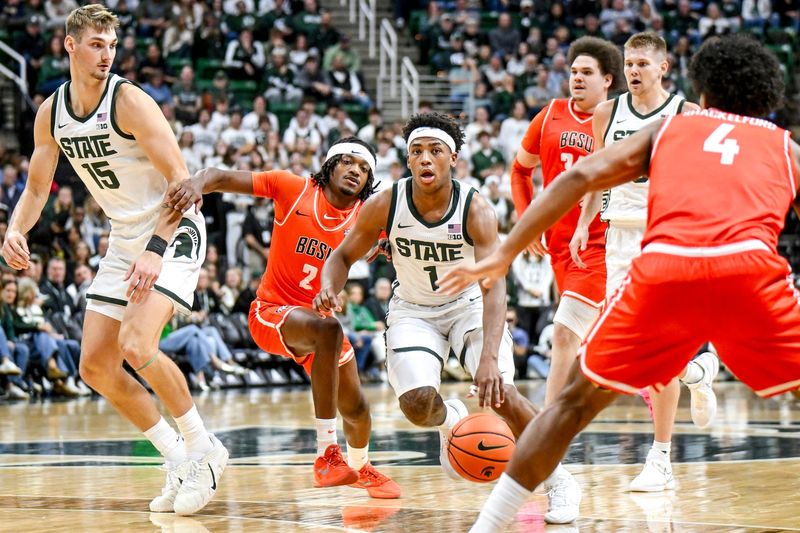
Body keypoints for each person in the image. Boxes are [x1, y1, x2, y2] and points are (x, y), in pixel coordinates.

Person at [437, 34, 798, 531]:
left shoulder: (672, 128)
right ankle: (694, 381)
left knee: (570, 405)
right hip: (749, 271)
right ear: (767, 99)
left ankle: (489, 526)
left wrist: (504, 252)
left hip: (663, 267)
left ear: (705, 95)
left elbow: (577, 177)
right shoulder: (785, 147)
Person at [0, 5, 227, 516]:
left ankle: (204, 448)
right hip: (124, 237)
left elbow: (183, 186)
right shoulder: (50, 113)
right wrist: (16, 228)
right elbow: (38, 187)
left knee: (136, 342)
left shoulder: (130, 101)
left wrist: (155, 250)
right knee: (95, 365)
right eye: (96, 44)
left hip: (174, 228)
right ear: (70, 45)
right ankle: (175, 458)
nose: (106, 54)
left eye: (111, 45)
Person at [313, 113, 541, 513]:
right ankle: (450, 419)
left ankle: (556, 478)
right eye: (416, 151)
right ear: (407, 158)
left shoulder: (476, 209)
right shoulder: (387, 202)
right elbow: (343, 255)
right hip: (414, 311)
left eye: (435, 151)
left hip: (469, 305)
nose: (425, 159)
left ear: (453, 158)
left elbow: (495, 285)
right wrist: (329, 287)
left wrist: (487, 358)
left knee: (501, 394)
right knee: (417, 405)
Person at [166, 137, 400, 499]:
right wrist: (197, 183)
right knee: (328, 328)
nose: (356, 170)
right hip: (271, 313)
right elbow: (222, 176)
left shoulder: (366, 216)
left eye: (365, 168)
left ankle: (361, 466)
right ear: (330, 165)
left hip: (318, 327)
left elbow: (400, 234)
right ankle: (325, 454)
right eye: (349, 162)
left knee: (358, 409)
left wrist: (389, 242)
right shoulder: (293, 188)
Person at [572, 31, 718, 493]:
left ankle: (660, 459)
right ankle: (698, 372)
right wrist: (582, 224)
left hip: (668, 239)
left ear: (662, 68)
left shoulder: (687, 115)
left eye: (641, 63)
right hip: (618, 238)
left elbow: (704, 182)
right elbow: (597, 172)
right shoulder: (606, 113)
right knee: (629, 354)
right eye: (628, 63)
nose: (633, 71)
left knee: (656, 350)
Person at [509, 36, 623, 521]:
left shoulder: (622, 122)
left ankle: (545, 441)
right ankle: (692, 365)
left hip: (602, 242)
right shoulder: (550, 113)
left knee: (563, 335)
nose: (575, 77)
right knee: (591, 345)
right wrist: (526, 218)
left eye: (586, 72)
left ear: (607, 81)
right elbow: (520, 170)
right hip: (559, 246)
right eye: (572, 70)